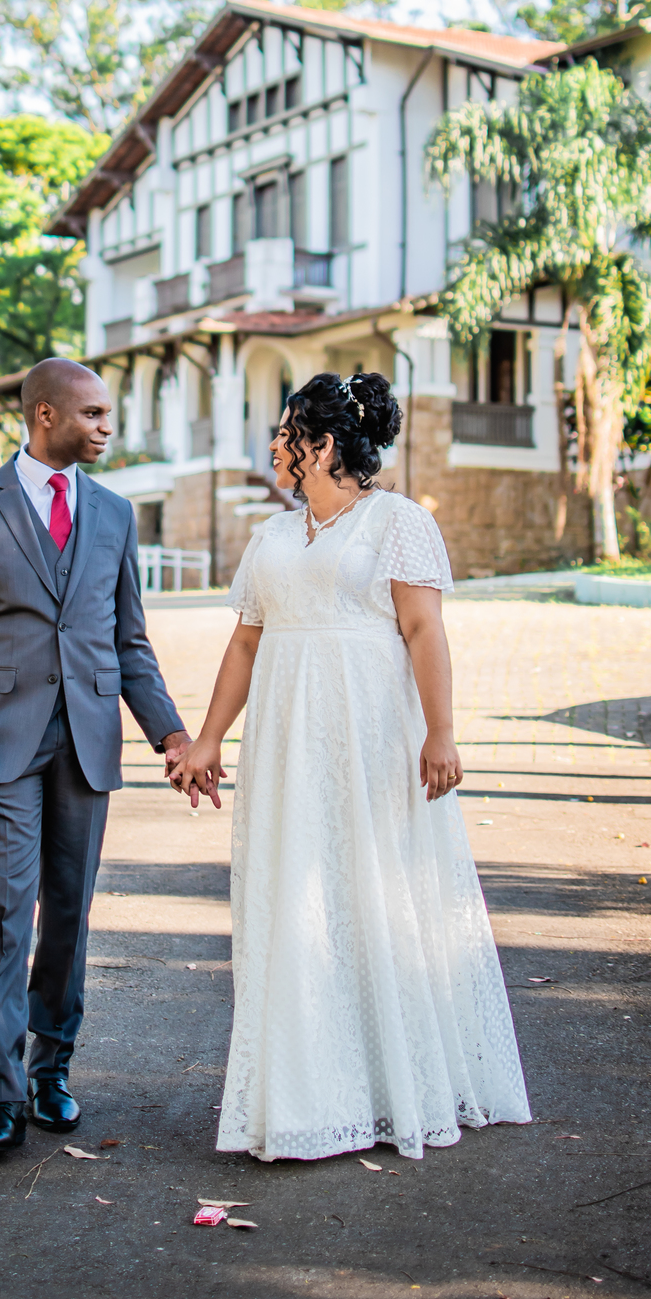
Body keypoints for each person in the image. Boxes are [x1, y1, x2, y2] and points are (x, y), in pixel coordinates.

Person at [169, 371, 531, 1164]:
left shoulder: (395, 522)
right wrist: (206, 741)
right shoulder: (270, 537)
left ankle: (391, 1081)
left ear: (323, 446)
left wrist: (442, 732)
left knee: (371, 891)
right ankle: (307, 1093)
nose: (274, 446)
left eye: (285, 432)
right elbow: (245, 643)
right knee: (297, 895)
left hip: (368, 730)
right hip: (287, 739)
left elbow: (424, 630)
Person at [0, 358, 190, 1156]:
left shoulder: (114, 514)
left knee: (69, 916)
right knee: (8, 915)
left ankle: (51, 1070)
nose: (107, 427)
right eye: (94, 414)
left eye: (109, 415)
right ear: (45, 415)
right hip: (1, 751)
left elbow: (129, 641)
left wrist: (171, 734)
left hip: (88, 742)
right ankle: (0, 1093)